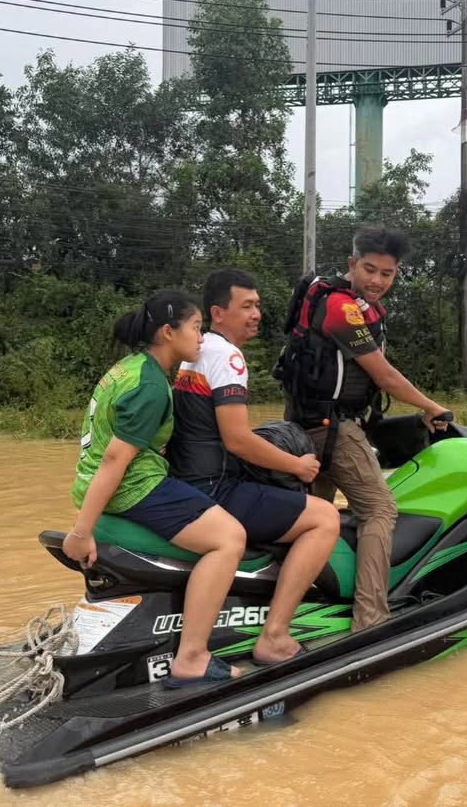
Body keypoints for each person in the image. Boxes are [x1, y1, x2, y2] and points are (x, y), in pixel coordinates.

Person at [63, 290, 247, 687]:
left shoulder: (128, 368)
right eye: (196, 328)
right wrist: (81, 532)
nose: (202, 338)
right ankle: (193, 657)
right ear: (168, 332)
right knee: (230, 538)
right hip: (134, 487)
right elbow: (116, 459)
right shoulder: (149, 384)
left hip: (100, 483)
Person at [279, 226, 451, 632]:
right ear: (352, 264)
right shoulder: (342, 309)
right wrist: (431, 406)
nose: (377, 281)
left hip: (307, 426)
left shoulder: (341, 302)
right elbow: (385, 376)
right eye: (370, 269)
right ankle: (370, 620)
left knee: (315, 517)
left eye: (387, 274)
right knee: (380, 509)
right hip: (332, 431)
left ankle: (295, 608)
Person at [169, 270, 340, 665]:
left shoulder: (196, 352)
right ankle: (275, 635)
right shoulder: (227, 356)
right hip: (216, 489)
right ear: (218, 312)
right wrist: (297, 466)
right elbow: (238, 439)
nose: (256, 314)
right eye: (246, 306)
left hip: (190, 482)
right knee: (325, 518)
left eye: (258, 305)